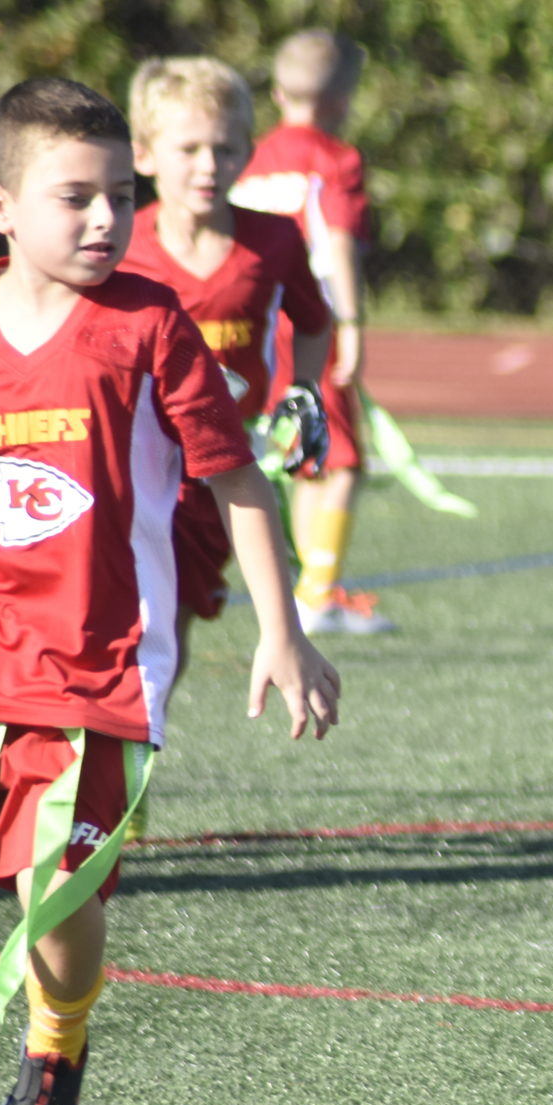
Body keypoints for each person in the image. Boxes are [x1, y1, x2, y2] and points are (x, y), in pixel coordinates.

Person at [0, 79, 341, 1105]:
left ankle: (54, 1048)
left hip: (100, 669)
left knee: (53, 900)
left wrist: (284, 629)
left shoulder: (147, 325)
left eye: (120, 196)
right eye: (76, 197)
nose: (105, 220)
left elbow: (234, 476)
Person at [119, 56, 335, 675]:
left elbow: (316, 322)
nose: (208, 166)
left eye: (225, 148)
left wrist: (304, 393)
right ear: (144, 153)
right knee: (122, 611)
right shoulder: (120, 244)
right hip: (134, 460)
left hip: (221, 466)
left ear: (248, 151)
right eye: (188, 148)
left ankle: (141, 744)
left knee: (175, 614)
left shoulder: (274, 240)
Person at [231, 29, 386, 634]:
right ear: (344, 101)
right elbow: (337, 246)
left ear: (276, 92)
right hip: (308, 323)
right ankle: (317, 596)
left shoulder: (249, 155)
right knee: (343, 462)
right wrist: (350, 322)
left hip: (257, 320)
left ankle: (309, 591)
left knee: (304, 454)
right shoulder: (335, 158)